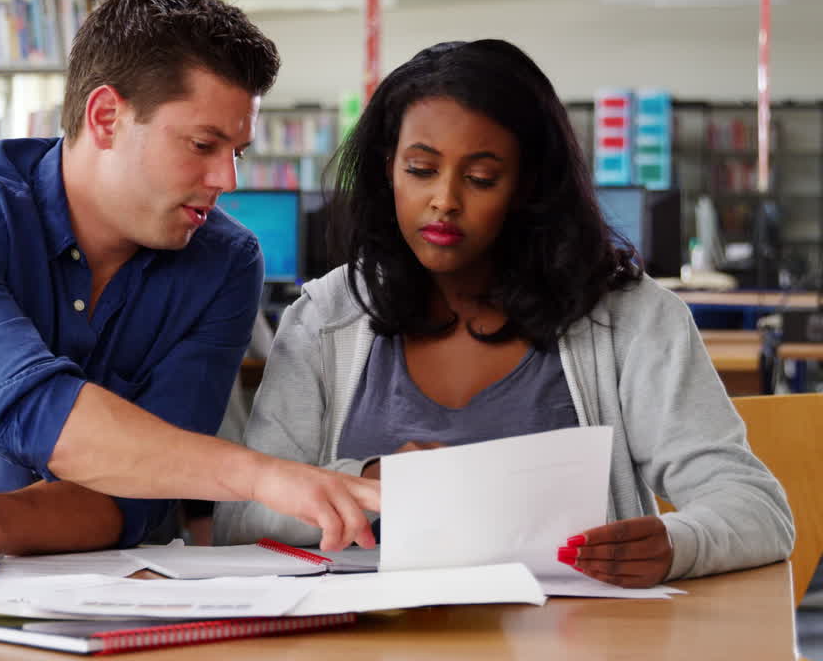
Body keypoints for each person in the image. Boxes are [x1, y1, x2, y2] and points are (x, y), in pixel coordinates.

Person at [213, 39, 793, 588]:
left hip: (574, 635)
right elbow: (240, 520)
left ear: (528, 186)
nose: (444, 200)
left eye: (481, 178)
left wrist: (677, 543)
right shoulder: (324, 318)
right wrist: (366, 482)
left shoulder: (632, 319)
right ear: (388, 169)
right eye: (420, 170)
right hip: (365, 634)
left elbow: (756, 508)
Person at [0, 0, 379, 556]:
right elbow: (31, 408)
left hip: (115, 586)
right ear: (106, 116)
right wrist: (260, 476)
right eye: (203, 145)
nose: (227, 180)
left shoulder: (226, 264)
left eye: (237, 152)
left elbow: (133, 502)